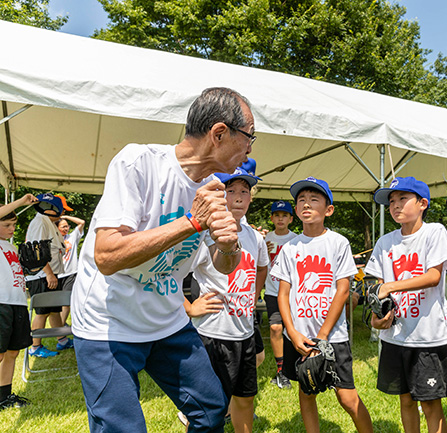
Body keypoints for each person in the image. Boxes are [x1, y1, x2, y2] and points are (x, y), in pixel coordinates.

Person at [70, 87, 254, 433]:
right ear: (219, 133)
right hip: (108, 322)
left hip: (166, 321)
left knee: (212, 410)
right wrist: (190, 223)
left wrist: (228, 247)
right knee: (123, 428)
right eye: (249, 137)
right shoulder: (139, 162)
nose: (250, 148)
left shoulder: (215, 187)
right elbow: (107, 255)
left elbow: (222, 264)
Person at [273, 177, 373, 433]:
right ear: (295, 210)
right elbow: (283, 294)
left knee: (347, 398)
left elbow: (342, 291)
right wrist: (293, 333)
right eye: (301, 200)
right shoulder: (289, 248)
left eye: (314, 199)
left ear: (328, 210)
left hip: (332, 337)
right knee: (306, 391)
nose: (306, 204)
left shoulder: (338, 243)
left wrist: (322, 337)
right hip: (299, 337)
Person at [365, 176, 447, 433]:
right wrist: (377, 316)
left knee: (430, 404)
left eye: (403, 198)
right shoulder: (385, 242)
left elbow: (433, 276)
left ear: (423, 203)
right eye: (391, 201)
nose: (395, 205)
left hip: (427, 337)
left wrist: (391, 286)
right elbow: (380, 291)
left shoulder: (434, 231)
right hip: (396, 338)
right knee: (405, 399)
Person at [186, 167, 269, 433]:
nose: (238, 196)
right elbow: (169, 274)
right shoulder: (202, 233)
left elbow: (261, 267)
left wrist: (252, 297)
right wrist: (189, 307)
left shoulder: (254, 236)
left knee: (245, 400)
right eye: (230, 190)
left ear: (251, 198)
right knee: (208, 408)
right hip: (212, 334)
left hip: (244, 332)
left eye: (244, 191)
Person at [0, 193, 38, 410]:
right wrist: (21, 202)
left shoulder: (10, 246)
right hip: (1, 303)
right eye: (6, 224)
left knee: (13, 352)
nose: (12, 229)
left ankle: (3, 397)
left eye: (14, 225)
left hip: (17, 302)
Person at [25, 193, 71, 357]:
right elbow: (36, 250)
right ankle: (35, 347)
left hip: (51, 274)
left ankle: (63, 340)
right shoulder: (40, 222)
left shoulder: (48, 222)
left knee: (54, 310)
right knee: (42, 311)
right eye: (60, 210)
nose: (61, 214)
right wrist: (49, 274)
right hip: (42, 276)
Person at [263, 200, 297, 389]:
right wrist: (264, 254)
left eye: (284, 215)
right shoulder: (264, 239)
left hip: (292, 292)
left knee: (293, 329)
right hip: (272, 291)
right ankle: (280, 371)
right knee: (276, 328)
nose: (280, 218)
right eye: (277, 215)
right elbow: (259, 265)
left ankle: (298, 365)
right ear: (272, 218)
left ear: (291, 219)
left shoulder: (297, 239)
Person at [54, 199, 85, 325]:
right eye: (63, 227)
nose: (66, 229)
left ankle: (60, 326)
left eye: (67, 226)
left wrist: (65, 217)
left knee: (67, 301)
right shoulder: (52, 238)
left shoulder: (72, 237)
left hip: (70, 273)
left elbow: (82, 222)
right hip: (57, 274)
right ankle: (60, 328)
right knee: (56, 303)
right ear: (57, 228)